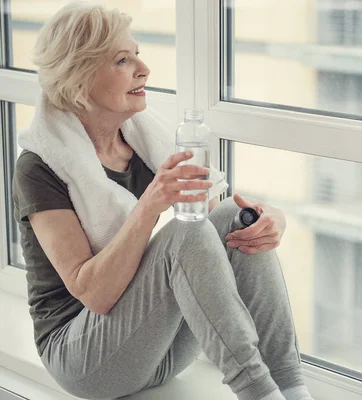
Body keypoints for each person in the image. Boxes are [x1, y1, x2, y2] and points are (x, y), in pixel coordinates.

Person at [11, 2, 313, 400]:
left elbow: (217, 221)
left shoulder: (141, 140)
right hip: (83, 357)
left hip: (154, 348)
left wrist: (267, 219)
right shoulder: (40, 166)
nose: (143, 69)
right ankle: (259, 393)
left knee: (232, 218)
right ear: (79, 77)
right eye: (122, 59)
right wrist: (150, 204)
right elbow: (94, 293)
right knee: (184, 234)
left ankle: (292, 387)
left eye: (137, 54)